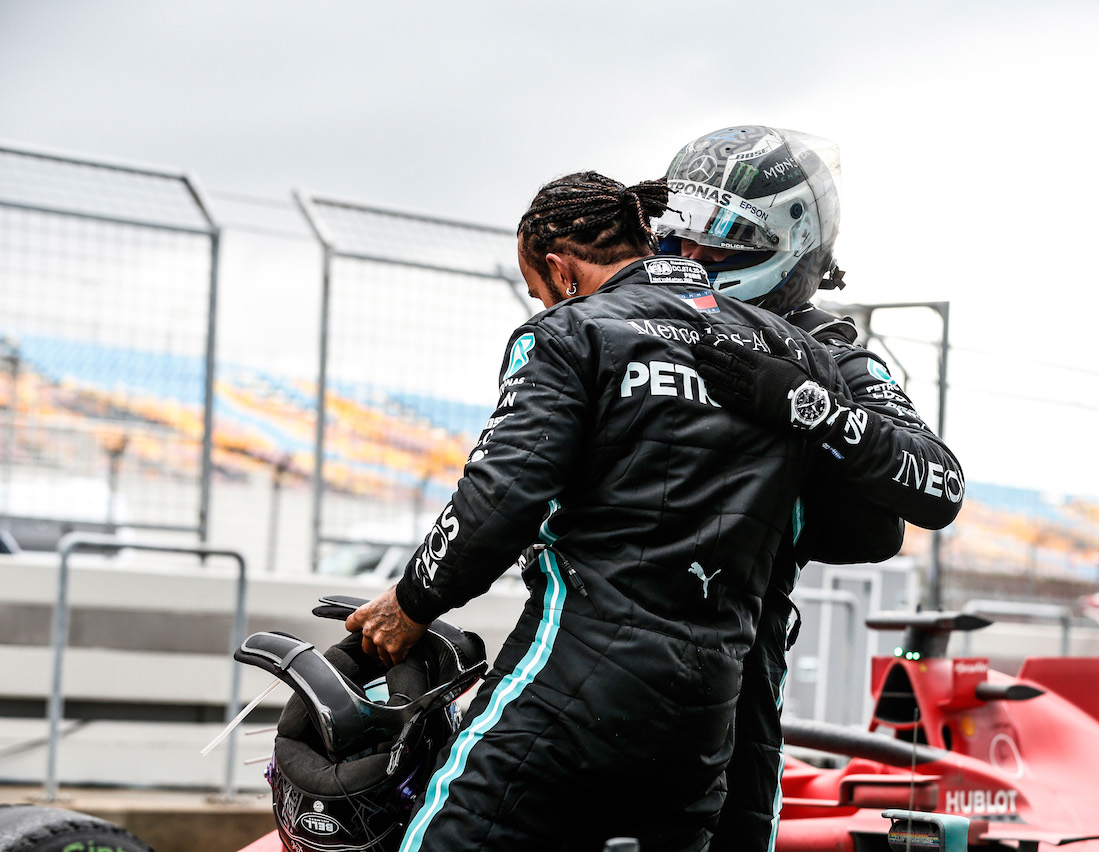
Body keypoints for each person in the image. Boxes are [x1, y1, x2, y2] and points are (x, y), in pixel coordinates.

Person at [346, 170, 848, 851]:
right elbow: (864, 525)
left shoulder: (567, 333)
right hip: (709, 715)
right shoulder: (793, 353)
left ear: (560, 268)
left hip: (574, 681)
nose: (541, 301)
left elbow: (500, 497)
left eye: (537, 288)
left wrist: (410, 605)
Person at [652, 125, 965, 852]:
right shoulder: (622, 322)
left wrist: (806, 405)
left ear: (790, 242)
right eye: (677, 237)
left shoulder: (826, 352)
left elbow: (939, 483)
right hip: (588, 658)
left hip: (736, 671)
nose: (692, 260)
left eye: (722, 241)